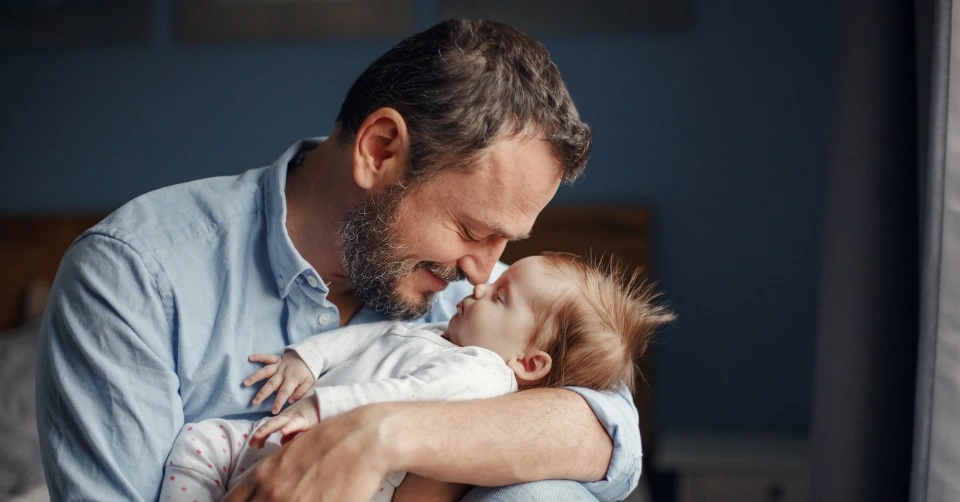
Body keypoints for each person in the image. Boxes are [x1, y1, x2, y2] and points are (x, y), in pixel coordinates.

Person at [36, 18, 642, 502]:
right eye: (470, 230)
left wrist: (378, 436)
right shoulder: (133, 275)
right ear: (380, 150)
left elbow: (607, 430)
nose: (485, 272)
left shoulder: (494, 301)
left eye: (505, 243)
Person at [160, 254, 674, 502]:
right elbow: (361, 339)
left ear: (530, 363)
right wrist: (306, 359)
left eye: (498, 294)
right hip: (281, 437)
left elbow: (402, 399)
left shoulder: (480, 375)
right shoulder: (440, 329)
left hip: (348, 474)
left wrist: (323, 409)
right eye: (472, 228)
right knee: (199, 441)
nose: (478, 279)